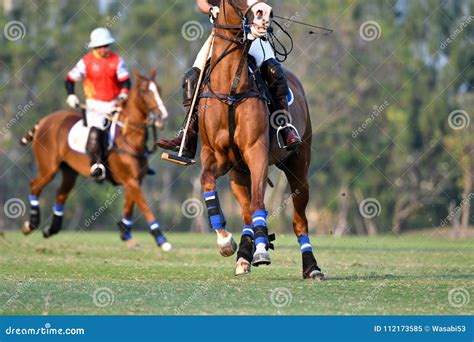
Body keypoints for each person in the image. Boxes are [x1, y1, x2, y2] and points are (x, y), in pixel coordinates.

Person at [157, 0, 301, 160]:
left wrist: (259, 18)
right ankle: (188, 137)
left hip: (252, 33)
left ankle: (285, 127)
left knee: (274, 71)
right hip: (222, 36)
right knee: (191, 78)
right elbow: (202, 2)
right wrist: (212, 9)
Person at [65, 27, 131, 181]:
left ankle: (142, 157)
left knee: (134, 126)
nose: (104, 49)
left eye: (106, 45)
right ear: (94, 47)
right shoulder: (86, 62)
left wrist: (123, 95)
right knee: (96, 131)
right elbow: (70, 79)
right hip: (94, 106)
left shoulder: (117, 60)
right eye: (101, 46)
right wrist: (71, 95)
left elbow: (125, 82)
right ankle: (97, 164)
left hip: (115, 104)